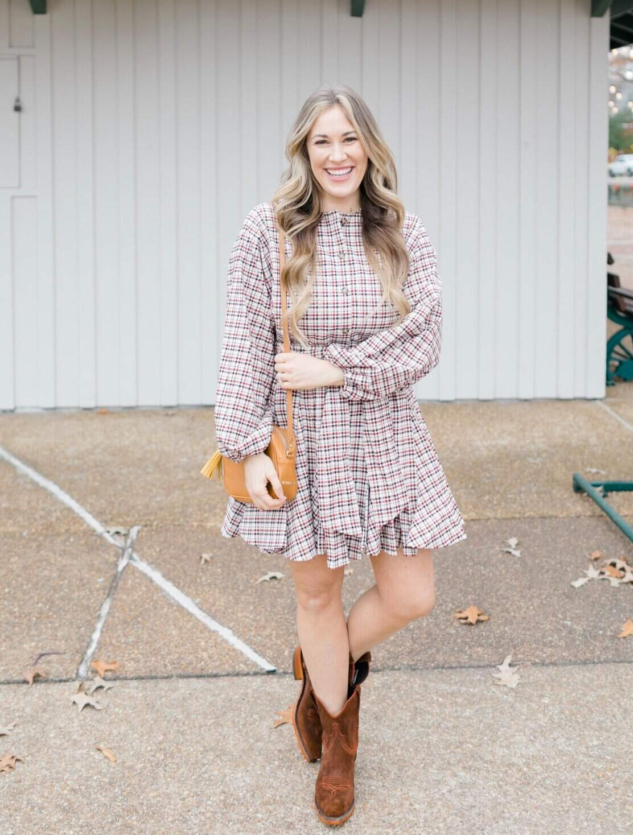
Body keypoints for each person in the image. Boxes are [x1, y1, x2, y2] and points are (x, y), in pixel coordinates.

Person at [214, 84, 467, 826]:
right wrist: (244, 444)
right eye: (322, 141)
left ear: (369, 149)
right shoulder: (267, 232)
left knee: (410, 595)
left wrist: (339, 370)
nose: (336, 154)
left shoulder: (400, 233)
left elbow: (423, 341)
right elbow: (243, 344)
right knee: (316, 597)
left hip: (386, 432)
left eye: (349, 139)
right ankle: (338, 743)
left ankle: (317, 668)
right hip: (304, 442)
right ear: (304, 150)